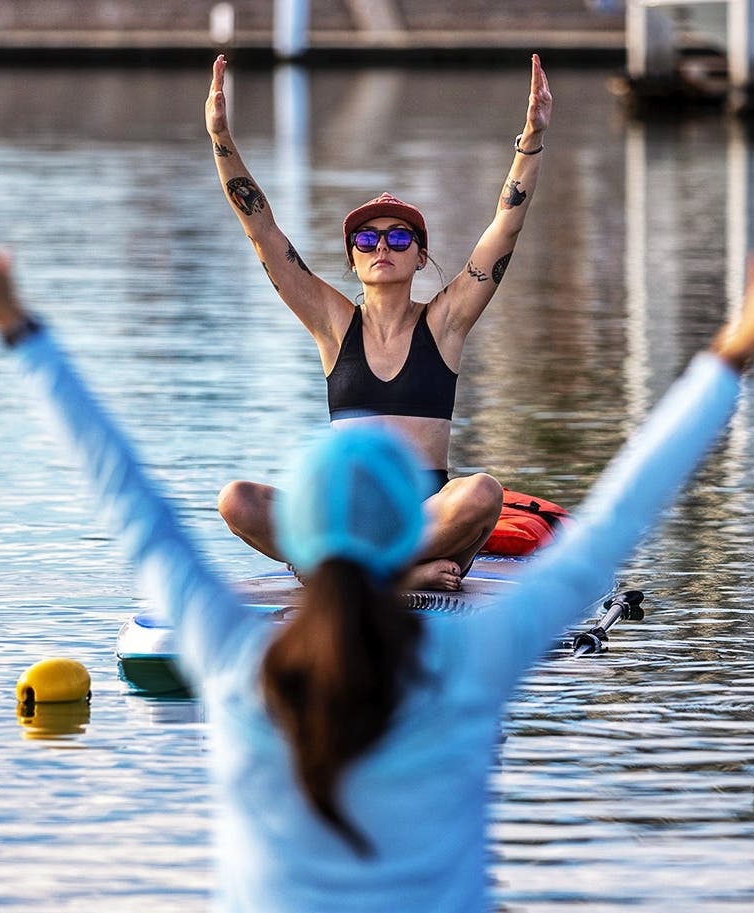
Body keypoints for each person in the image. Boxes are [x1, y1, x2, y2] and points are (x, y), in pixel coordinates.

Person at [0, 172, 754, 913]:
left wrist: (19, 331)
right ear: (401, 524)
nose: (383, 245)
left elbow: (125, 493)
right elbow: (610, 530)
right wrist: (732, 353)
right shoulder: (472, 665)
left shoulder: (231, 657)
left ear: (309, 545)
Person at [205, 53, 553, 591]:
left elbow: (505, 228)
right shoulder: (331, 323)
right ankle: (393, 577)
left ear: (420, 257)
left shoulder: (445, 324)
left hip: (425, 523)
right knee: (236, 499)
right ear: (353, 259)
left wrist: (530, 139)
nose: (382, 246)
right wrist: (221, 139)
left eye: (399, 237)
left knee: (483, 491)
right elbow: (263, 233)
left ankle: (350, 574)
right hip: (346, 522)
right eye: (367, 239)